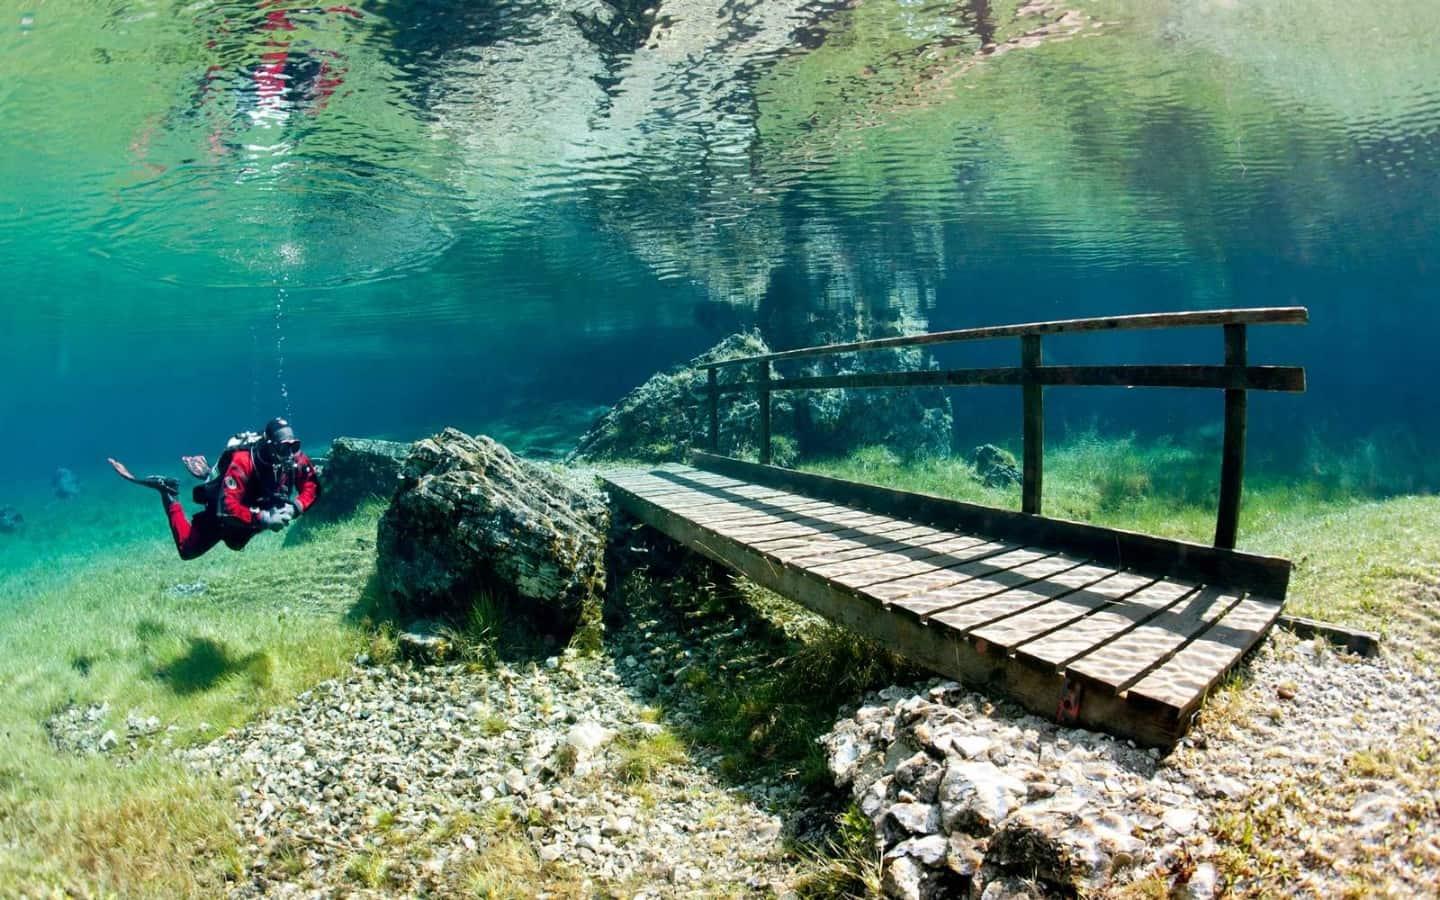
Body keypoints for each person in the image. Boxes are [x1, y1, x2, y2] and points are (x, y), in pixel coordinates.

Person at [110, 417, 320, 560]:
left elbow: (311, 484)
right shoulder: (244, 462)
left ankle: (211, 474)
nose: (290, 453)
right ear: (270, 444)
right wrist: (264, 518)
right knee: (187, 550)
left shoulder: (294, 457)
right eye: (284, 447)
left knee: (236, 543)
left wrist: (296, 507)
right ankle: (169, 492)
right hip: (222, 514)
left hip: (252, 507)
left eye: (294, 445)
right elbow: (227, 507)